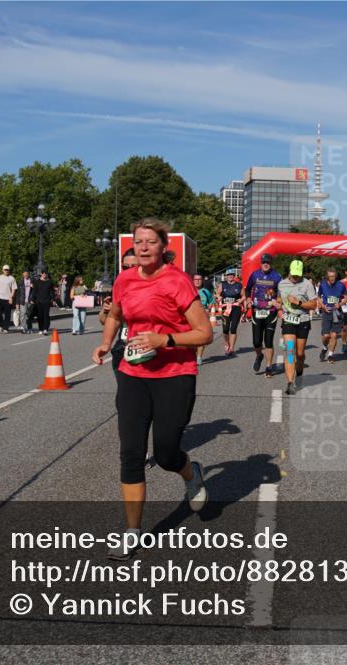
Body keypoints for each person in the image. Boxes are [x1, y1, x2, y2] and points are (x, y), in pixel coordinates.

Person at [92, 219, 212, 561]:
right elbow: (115, 314)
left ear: (163, 248)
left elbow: (204, 333)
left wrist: (166, 339)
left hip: (175, 373)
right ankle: (132, 532)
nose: (143, 247)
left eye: (150, 242)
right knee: (130, 453)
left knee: (165, 453)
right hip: (133, 372)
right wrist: (105, 342)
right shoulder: (125, 279)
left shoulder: (177, 281)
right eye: (139, 242)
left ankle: (191, 472)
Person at [278, 260, 319, 395]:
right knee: (290, 351)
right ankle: (290, 383)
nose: (296, 278)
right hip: (288, 319)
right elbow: (279, 299)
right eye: (294, 275)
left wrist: (298, 302)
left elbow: (313, 305)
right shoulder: (282, 284)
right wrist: (277, 304)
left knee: (299, 354)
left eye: (298, 275)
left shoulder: (307, 284)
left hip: (303, 320)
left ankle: (299, 372)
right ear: (289, 271)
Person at [100, 249, 139, 371]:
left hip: (144, 345)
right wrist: (106, 310)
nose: (129, 270)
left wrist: (118, 311)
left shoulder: (150, 285)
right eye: (125, 267)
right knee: (124, 389)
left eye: (134, 266)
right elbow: (104, 321)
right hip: (122, 346)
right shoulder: (120, 285)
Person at [244, 253, 282, 377]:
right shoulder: (255, 274)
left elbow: (282, 293)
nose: (266, 264)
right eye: (264, 262)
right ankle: (259, 355)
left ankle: (268, 367)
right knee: (256, 342)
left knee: (269, 341)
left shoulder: (277, 276)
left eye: (268, 262)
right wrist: (248, 300)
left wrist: (279, 302)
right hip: (257, 311)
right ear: (260, 263)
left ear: (271, 264)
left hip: (271, 312)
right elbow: (247, 289)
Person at [317, 268, 347, 363]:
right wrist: (322, 306)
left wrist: (340, 304)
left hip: (337, 313)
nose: (332, 278)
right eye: (330, 276)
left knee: (334, 335)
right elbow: (318, 296)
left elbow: (346, 297)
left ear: (336, 276)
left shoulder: (341, 285)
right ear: (327, 277)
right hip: (326, 312)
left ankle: (330, 355)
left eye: (333, 276)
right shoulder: (323, 285)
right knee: (326, 336)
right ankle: (324, 348)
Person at [215, 268, 243, 356]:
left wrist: (240, 300)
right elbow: (217, 294)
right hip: (225, 308)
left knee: (233, 329)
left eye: (231, 275)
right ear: (226, 277)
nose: (230, 277)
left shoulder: (239, 285)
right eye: (228, 275)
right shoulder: (222, 284)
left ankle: (231, 348)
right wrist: (218, 297)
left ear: (234, 276)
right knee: (225, 329)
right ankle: (227, 343)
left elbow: (244, 296)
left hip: (235, 308)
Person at [193, 273, 215, 366]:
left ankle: (199, 357)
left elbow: (211, 301)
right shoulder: (189, 290)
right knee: (192, 339)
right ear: (193, 281)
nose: (197, 281)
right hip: (191, 318)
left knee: (201, 339)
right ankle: (193, 356)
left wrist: (208, 308)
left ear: (202, 281)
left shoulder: (205, 291)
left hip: (203, 318)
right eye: (196, 279)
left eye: (199, 279)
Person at [0, 265, 17, 333]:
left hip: (8, 299)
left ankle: (6, 328)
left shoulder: (12, 278)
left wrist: (11, 297)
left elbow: (14, 289)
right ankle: (1, 325)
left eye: (7, 270)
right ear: (3, 270)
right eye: (5, 269)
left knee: (7, 314)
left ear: (9, 270)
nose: (6, 271)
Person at [30, 270, 55, 335]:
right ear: (41, 274)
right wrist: (32, 299)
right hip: (38, 301)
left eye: (46, 273)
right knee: (40, 316)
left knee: (46, 315)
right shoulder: (37, 282)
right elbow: (34, 291)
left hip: (47, 301)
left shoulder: (50, 282)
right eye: (43, 273)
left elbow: (52, 291)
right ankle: (40, 329)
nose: (45, 275)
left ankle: (45, 329)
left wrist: (53, 299)